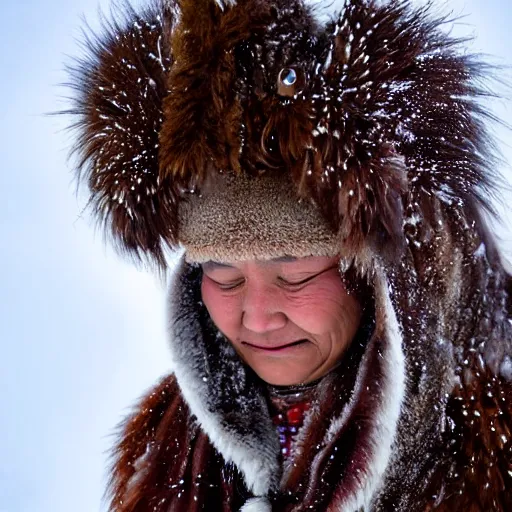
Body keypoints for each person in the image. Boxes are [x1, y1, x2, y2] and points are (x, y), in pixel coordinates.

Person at [66, 0, 512, 510]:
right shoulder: (162, 453)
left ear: (379, 280)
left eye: (296, 273)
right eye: (222, 273)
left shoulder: (490, 454)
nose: (256, 318)